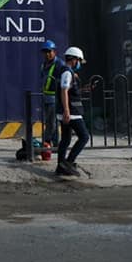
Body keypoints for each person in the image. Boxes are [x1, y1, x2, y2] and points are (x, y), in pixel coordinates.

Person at [56, 46, 90, 177]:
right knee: (84, 136)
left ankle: (60, 166)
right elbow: (64, 91)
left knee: (65, 139)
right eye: (79, 61)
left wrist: (83, 90)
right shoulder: (67, 72)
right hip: (71, 112)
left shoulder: (65, 71)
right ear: (74, 59)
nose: (79, 64)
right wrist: (67, 111)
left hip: (67, 111)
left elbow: (69, 91)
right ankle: (68, 163)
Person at [39, 40, 61, 147]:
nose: (47, 54)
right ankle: (54, 143)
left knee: (51, 122)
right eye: (45, 52)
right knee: (50, 121)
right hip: (45, 97)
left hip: (54, 97)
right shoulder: (43, 65)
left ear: (54, 52)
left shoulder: (59, 64)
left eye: (49, 51)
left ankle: (48, 141)